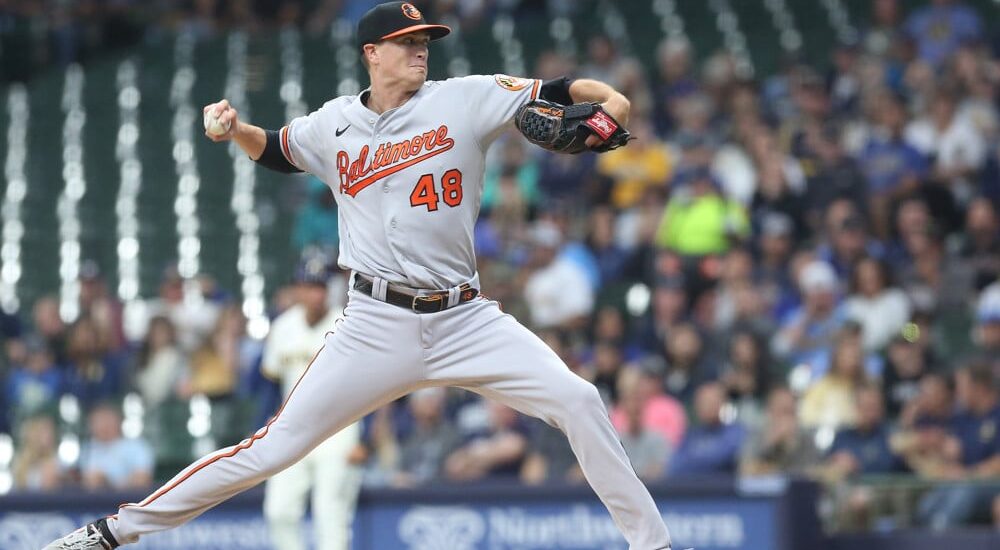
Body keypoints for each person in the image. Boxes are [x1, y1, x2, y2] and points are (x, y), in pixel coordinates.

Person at [45, 3, 673, 549]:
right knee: (271, 450)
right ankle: (111, 533)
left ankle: (655, 546)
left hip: (465, 317)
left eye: (425, 42)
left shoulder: (467, 96)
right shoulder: (334, 123)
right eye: (408, 44)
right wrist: (236, 130)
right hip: (377, 321)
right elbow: (279, 150)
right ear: (372, 53)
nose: (421, 51)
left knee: (579, 399)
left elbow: (565, 89)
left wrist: (611, 103)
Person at [261, 255, 363, 550]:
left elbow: (367, 385)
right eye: (308, 286)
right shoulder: (282, 327)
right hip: (292, 428)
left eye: (319, 286)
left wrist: (363, 435)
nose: (314, 293)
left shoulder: (346, 324)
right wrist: (266, 423)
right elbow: (271, 383)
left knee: (329, 515)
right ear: (296, 289)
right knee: (278, 511)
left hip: (338, 430)